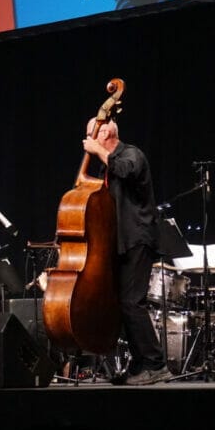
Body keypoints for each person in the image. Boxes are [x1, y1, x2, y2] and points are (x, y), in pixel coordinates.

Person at [82, 117, 173, 385]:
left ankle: (156, 365)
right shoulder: (106, 168)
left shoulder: (131, 154)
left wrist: (99, 152)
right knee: (123, 305)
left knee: (133, 303)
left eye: (91, 133)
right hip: (120, 243)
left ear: (107, 130)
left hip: (137, 239)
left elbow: (127, 171)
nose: (86, 139)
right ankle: (139, 364)